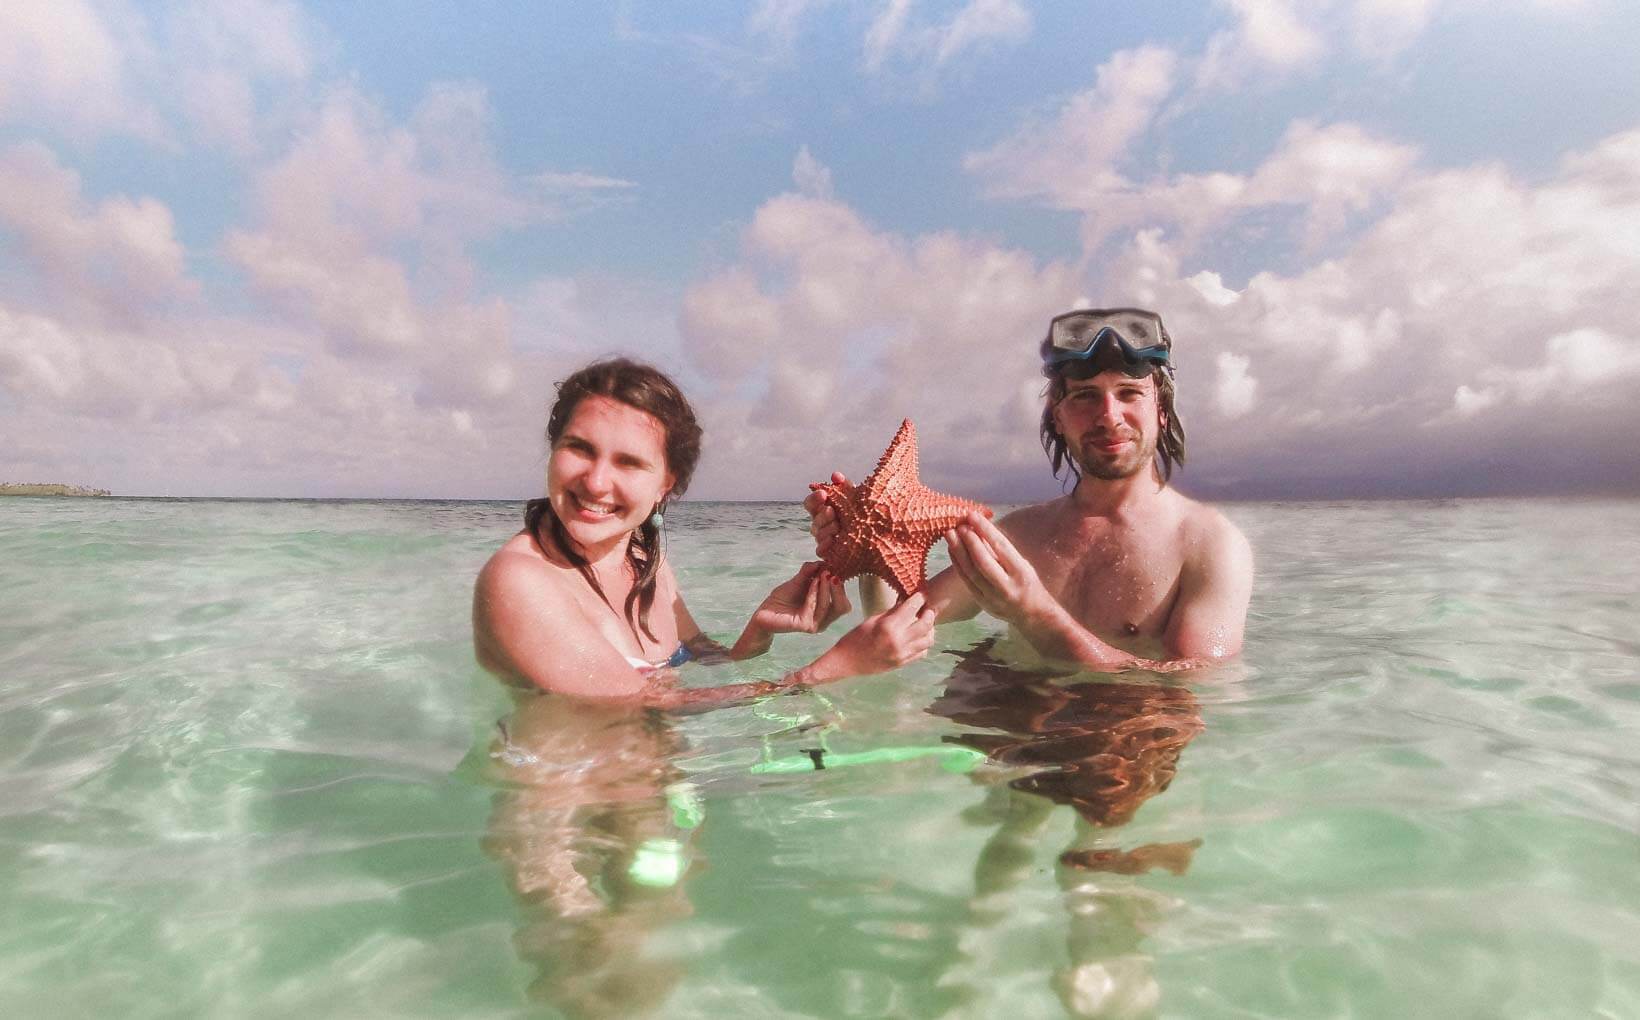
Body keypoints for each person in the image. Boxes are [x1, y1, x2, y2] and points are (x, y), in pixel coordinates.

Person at [808, 307, 1253, 671]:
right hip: (1006, 748)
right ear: (1057, 417)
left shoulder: (1209, 545)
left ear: (1161, 411)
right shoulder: (1019, 537)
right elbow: (899, 629)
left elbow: (1190, 690)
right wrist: (868, 546)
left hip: (1121, 760)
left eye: (1129, 393)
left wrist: (1034, 613)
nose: (1108, 415)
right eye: (1084, 396)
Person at [474, 357, 935, 707]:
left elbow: (706, 669)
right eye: (579, 449)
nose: (595, 481)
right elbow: (647, 711)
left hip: (653, 792)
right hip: (562, 818)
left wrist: (759, 629)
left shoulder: (643, 561)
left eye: (629, 462)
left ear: (666, 484)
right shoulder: (519, 580)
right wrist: (841, 666)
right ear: (554, 450)